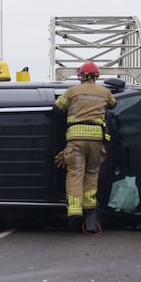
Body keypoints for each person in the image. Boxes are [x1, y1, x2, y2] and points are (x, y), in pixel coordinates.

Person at [54, 61, 115, 233]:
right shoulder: (104, 92)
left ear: (81, 75)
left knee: (75, 173)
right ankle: (90, 211)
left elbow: (57, 108)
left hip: (76, 137)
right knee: (91, 173)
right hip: (96, 138)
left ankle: (74, 212)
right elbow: (113, 104)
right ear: (96, 76)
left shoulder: (72, 91)